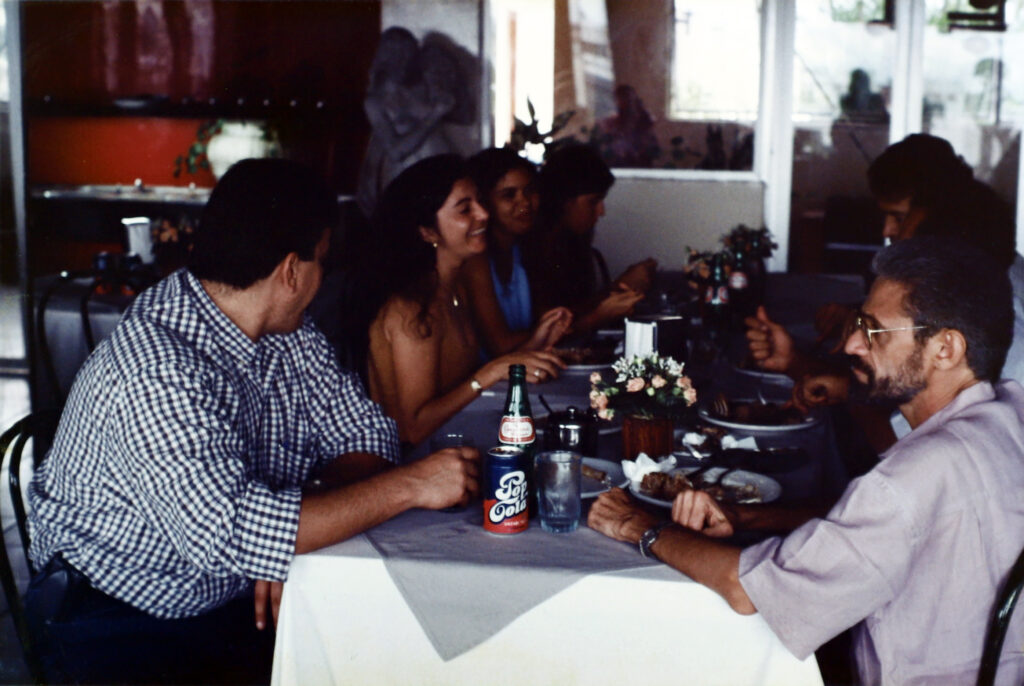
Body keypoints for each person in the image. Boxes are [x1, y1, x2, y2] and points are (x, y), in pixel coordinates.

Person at [25, 159, 480, 685]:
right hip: (115, 616)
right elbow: (232, 536)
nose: (322, 280)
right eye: (321, 262)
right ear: (290, 271)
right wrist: (410, 486)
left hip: (223, 598)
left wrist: (295, 531)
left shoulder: (286, 331)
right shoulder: (158, 367)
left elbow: (365, 431)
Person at [591, 238, 1024, 684]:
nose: (852, 344)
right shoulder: (1009, 417)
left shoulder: (913, 477)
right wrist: (746, 516)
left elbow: (750, 592)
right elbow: (890, 524)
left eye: (873, 331)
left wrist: (640, 526)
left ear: (946, 349)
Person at [748, 133, 1023, 447]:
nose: (890, 232)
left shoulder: (1001, 325)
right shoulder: (993, 274)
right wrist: (804, 361)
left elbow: (903, 448)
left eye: (900, 218)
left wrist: (841, 387)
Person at [365, 154, 565, 447]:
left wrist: (535, 342)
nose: (483, 214)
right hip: (418, 460)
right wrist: (488, 373)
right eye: (465, 209)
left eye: (480, 202)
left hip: (454, 443)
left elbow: (456, 385)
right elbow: (412, 430)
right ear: (428, 231)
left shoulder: (452, 289)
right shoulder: (411, 309)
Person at [527, 143, 658, 334]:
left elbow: (578, 307)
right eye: (593, 201)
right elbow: (555, 325)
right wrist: (616, 289)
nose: (601, 211)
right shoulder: (534, 249)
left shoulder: (575, 244)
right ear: (564, 201)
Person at [460, 147, 573, 357]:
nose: (525, 203)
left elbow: (549, 321)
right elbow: (500, 346)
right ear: (484, 203)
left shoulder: (524, 249)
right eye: (509, 195)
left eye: (530, 191)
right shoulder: (475, 260)